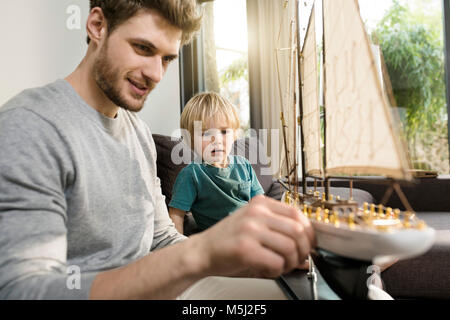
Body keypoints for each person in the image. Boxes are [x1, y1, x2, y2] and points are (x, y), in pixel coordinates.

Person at [0, 0, 315, 300]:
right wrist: (202, 251)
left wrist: (259, 265)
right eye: (142, 48)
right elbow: (24, 291)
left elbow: (162, 239)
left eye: (166, 58)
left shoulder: (137, 132)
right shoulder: (31, 125)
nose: (156, 74)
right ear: (97, 26)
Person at [169, 93, 264, 233]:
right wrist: (178, 249)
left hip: (250, 231)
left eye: (224, 131)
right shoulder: (191, 175)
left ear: (235, 135)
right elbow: (176, 215)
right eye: (206, 134)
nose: (217, 140)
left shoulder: (244, 165)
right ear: (190, 140)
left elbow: (259, 202)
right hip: (217, 241)